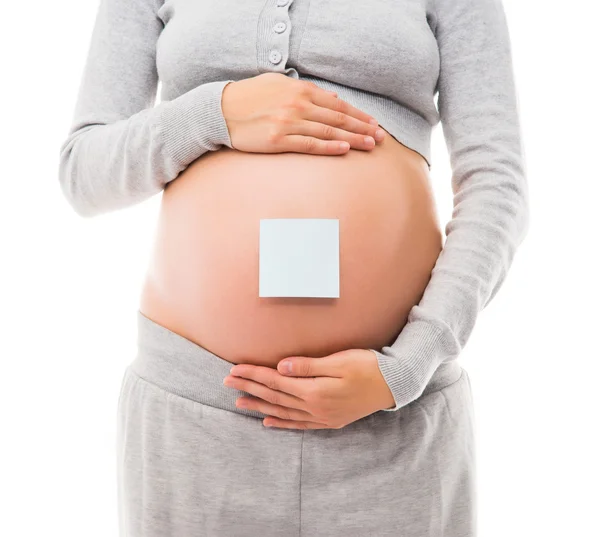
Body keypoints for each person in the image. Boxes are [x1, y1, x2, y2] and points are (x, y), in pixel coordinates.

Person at [58, 0, 529, 535]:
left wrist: (406, 368)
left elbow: (498, 185)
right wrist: (213, 113)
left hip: (395, 422)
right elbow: (84, 174)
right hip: (196, 416)